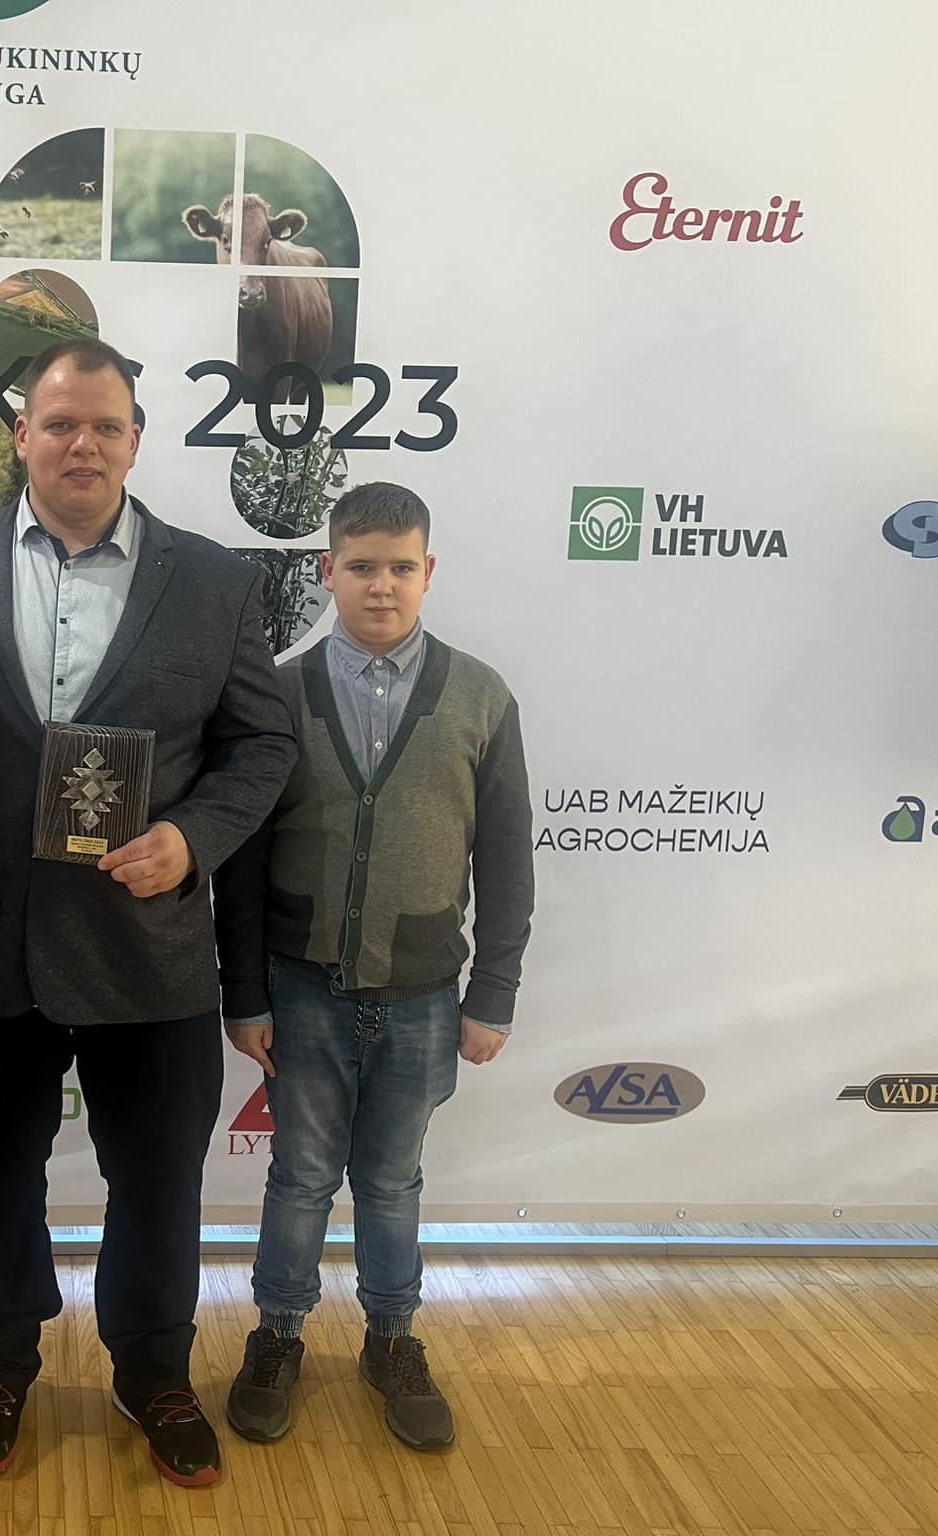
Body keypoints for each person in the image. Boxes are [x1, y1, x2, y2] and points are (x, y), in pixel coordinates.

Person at [0, 339, 298, 1488]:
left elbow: (263, 743)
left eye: (103, 426)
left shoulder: (216, 582)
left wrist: (192, 837)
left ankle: (152, 1370)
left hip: (152, 948)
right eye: (58, 424)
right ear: (20, 438)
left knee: (157, 1183)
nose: (80, 444)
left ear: (136, 441)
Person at [213, 481, 535, 1452]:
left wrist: (493, 992)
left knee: (392, 1181)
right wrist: (244, 993)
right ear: (327, 572)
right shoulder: (277, 692)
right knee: (300, 1176)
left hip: (424, 995)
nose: (380, 585)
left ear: (427, 572)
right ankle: (278, 1334)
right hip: (302, 989)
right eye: (360, 567)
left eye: (400, 567)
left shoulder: (481, 697)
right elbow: (243, 861)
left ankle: (391, 1338)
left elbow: (506, 856)